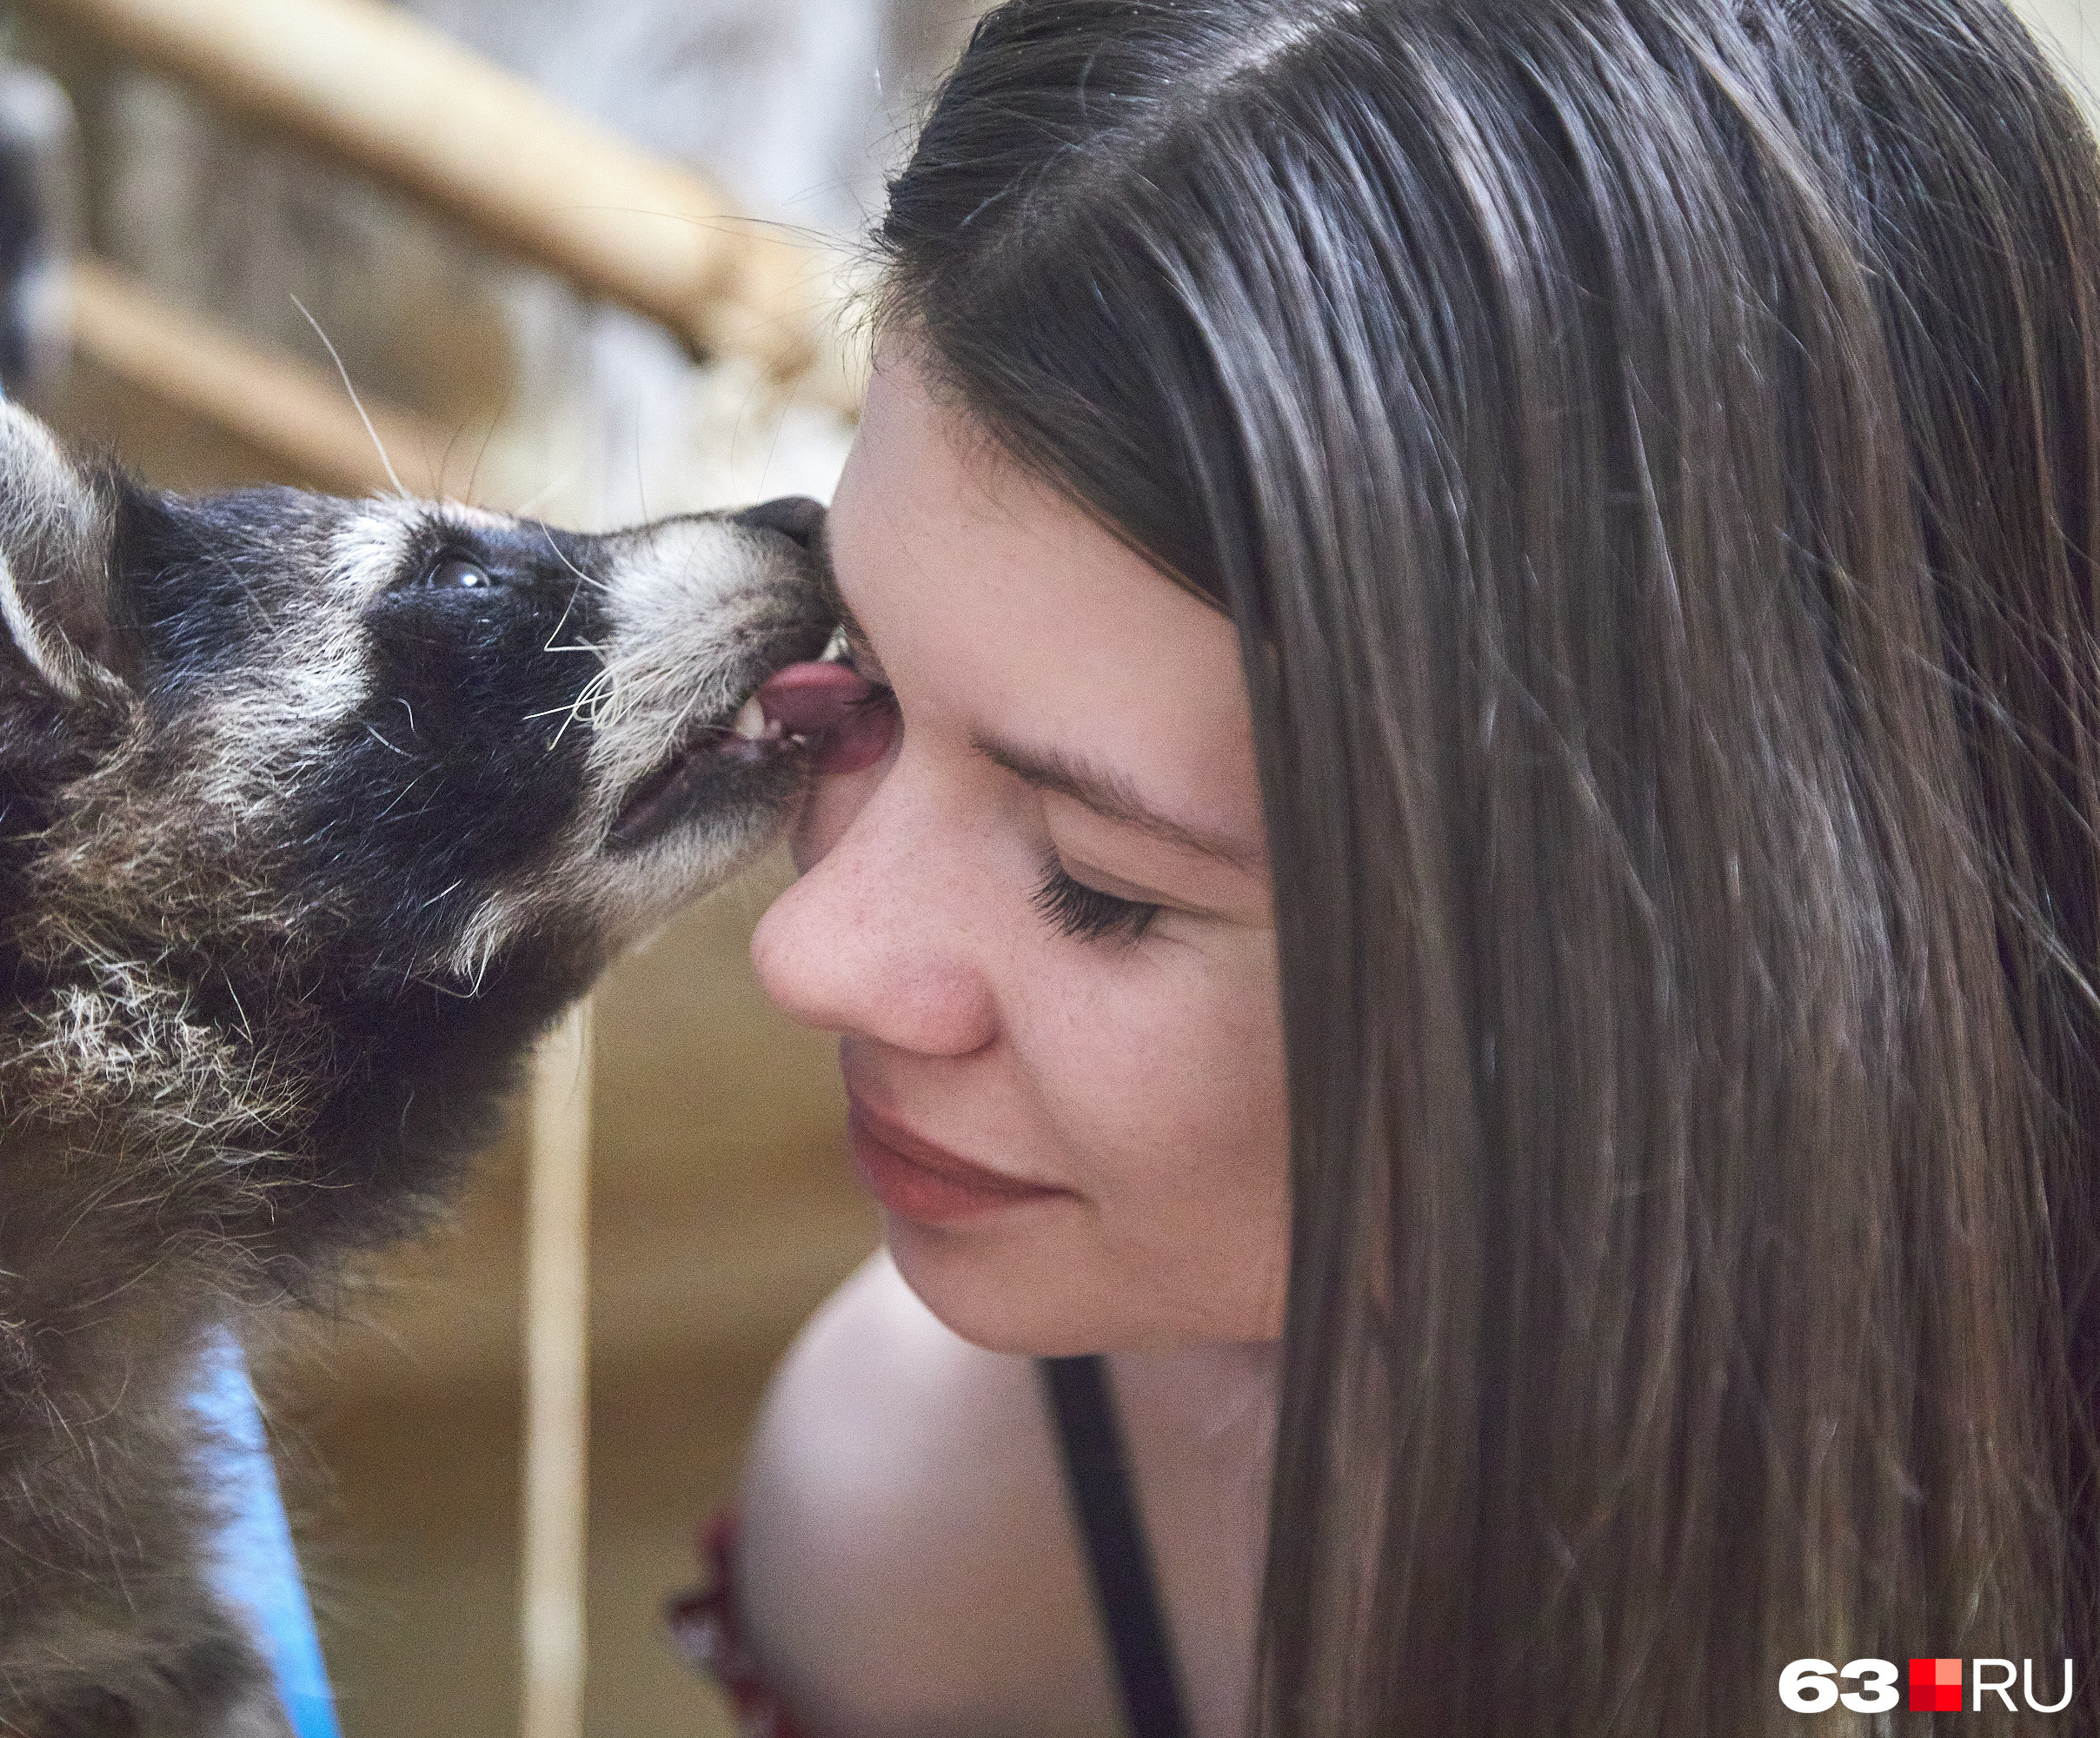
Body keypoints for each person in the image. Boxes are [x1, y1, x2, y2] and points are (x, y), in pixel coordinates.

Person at [673, 3, 2100, 1735]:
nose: (811, 951)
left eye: (1103, 879)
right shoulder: (940, 1523)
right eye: (865, 685)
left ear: (1700, 925)